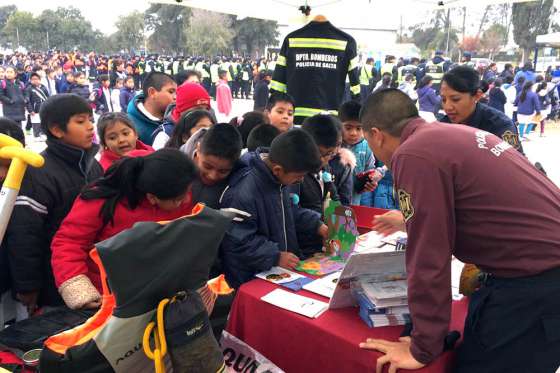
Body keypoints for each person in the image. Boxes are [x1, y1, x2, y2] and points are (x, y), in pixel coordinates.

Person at [358, 88, 560, 373]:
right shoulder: (448, 135)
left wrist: (423, 347)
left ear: (376, 134)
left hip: (534, 289)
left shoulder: (413, 154)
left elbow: (429, 254)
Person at [51, 149, 196, 310]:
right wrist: (79, 289)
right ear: (152, 197)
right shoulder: (102, 200)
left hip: (159, 294)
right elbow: (69, 242)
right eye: (178, 199)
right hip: (108, 298)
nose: (186, 200)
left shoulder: (177, 186)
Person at [5, 94, 103, 315]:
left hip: (92, 275)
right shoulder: (38, 172)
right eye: (80, 121)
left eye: (90, 119)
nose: (90, 127)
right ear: (57, 130)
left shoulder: (93, 166)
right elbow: (25, 234)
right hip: (54, 284)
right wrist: (28, 286)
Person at [220, 130, 328, 288]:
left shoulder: (278, 180)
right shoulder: (242, 192)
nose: (301, 180)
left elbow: (289, 211)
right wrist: (275, 256)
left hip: (278, 272)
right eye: (299, 176)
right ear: (278, 169)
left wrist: (317, 225)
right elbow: (237, 241)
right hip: (250, 280)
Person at [270, 16, 361, 124]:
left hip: (296, 116)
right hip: (329, 119)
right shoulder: (347, 42)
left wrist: (275, 110)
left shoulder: (291, 39)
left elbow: (277, 84)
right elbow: (355, 88)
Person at [439, 66, 523, 153]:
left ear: (477, 95)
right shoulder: (443, 125)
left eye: (455, 99)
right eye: (443, 99)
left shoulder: (501, 125)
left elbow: (518, 161)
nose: (447, 107)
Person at [187, 123, 243, 210]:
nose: (213, 176)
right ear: (198, 150)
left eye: (223, 171)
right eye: (207, 166)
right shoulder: (177, 166)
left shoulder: (238, 181)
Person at [338, 100, 377, 205]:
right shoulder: (334, 146)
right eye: (348, 128)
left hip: (354, 203)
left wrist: (371, 183)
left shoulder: (367, 147)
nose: (353, 133)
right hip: (333, 204)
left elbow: (370, 170)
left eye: (359, 128)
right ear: (339, 125)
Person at [152, 82, 211, 150]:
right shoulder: (165, 134)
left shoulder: (210, 127)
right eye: (196, 109)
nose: (202, 114)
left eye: (206, 109)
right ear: (182, 110)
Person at [127, 71, 177, 146]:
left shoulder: (174, 119)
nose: (175, 97)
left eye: (177, 93)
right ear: (152, 92)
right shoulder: (129, 125)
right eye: (171, 92)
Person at [24, 72, 50, 139]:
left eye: (36, 79)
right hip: (35, 110)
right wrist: (30, 110)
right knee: (36, 123)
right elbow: (27, 101)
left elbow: (48, 98)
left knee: (43, 122)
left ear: (40, 79)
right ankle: (37, 135)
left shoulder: (44, 88)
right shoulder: (29, 89)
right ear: (30, 80)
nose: (35, 80)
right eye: (33, 79)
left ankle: (43, 134)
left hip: (44, 109)